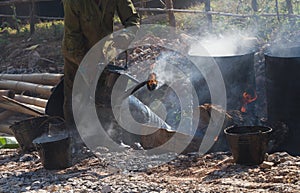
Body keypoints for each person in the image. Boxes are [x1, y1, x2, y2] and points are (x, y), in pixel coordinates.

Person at [61, 0, 140, 148]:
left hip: (103, 52)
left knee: (105, 94)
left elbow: (132, 19)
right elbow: (72, 35)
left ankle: (108, 137)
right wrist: (86, 66)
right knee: (76, 95)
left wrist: (126, 36)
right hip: (76, 53)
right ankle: (75, 139)